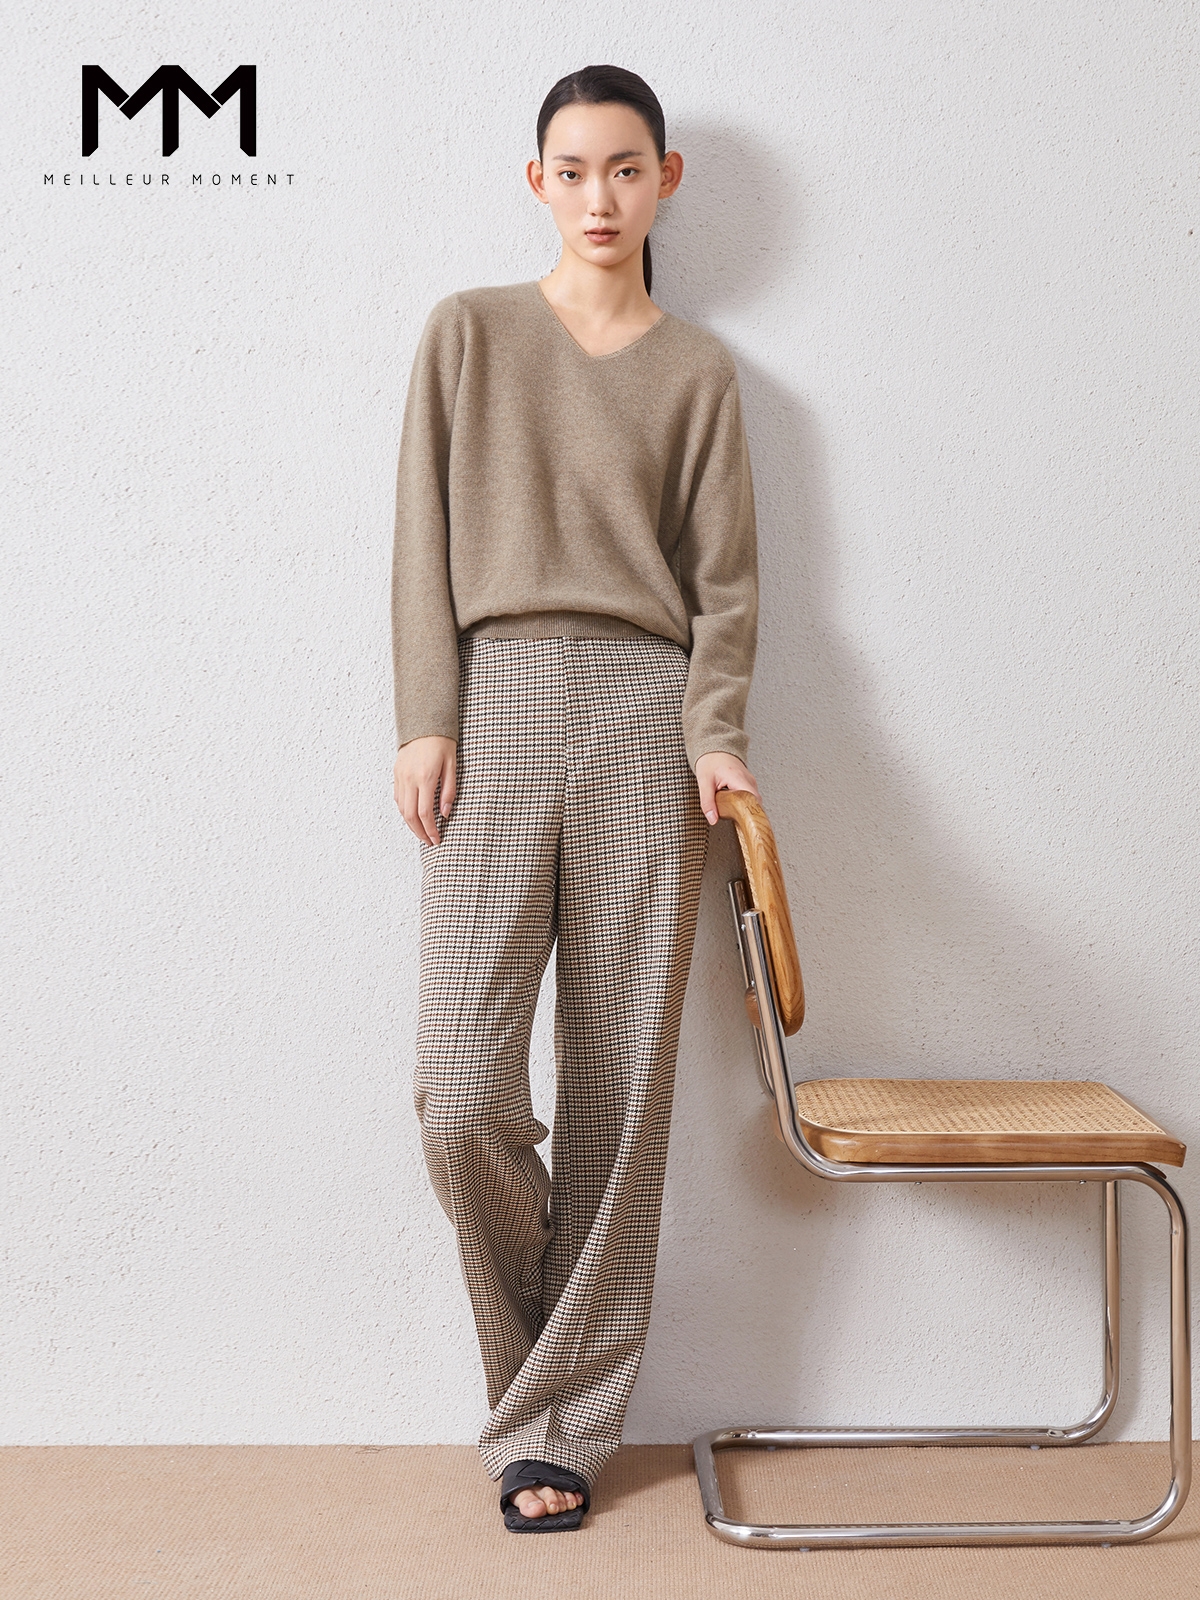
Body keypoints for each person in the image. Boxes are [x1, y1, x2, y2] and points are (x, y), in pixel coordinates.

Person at [390, 64, 760, 1532]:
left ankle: (558, 1429)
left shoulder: (701, 372)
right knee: (459, 1092)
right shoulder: (467, 334)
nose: (597, 196)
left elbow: (726, 590)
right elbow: (419, 538)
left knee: (620, 1093)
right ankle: (534, 1384)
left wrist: (715, 736)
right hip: (493, 701)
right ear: (534, 180)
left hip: (643, 716)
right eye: (571, 168)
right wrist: (426, 717)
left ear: (664, 179)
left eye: (624, 168)